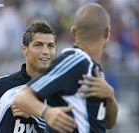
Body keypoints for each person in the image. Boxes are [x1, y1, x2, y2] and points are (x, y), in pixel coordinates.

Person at [13, 3, 118, 133]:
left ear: (73, 32)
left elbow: (109, 123)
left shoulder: (95, 70)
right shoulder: (74, 61)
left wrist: (110, 96)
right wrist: (47, 112)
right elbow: (22, 97)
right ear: (107, 32)